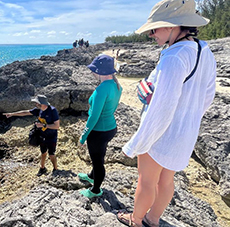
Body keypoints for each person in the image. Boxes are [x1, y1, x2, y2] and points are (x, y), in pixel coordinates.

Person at [116, 0, 217, 226]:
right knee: (166, 181)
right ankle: (153, 220)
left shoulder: (173, 56)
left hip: (162, 131)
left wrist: (138, 142)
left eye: (154, 28)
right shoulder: (204, 50)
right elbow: (208, 95)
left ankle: (136, 220)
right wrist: (189, 118)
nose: (151, 34)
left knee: (147, 181)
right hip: (184, 132)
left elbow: (162, 107)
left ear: (172, 26)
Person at [78, 54, 123, 198]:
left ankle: (95, 190)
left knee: (98, 162)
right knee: (99, 155)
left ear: (100, 71)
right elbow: (111, 107)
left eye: (93, 70)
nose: (92, 72)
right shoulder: (116, 86)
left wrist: (83, 136)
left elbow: (94, 117)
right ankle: (92, 176)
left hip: (98, 131)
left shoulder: (101, 90)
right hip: (110, 128)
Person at [3, 95, 60, 176]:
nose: (35, 104)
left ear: (41, 103)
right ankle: (42, 168)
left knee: (51, 154)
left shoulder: (52, 111)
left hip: (51, 136)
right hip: (42, 135)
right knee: (43, 152)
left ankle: (55, 169)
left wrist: (43, 126)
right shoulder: (38, 110)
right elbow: (25, 112)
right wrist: (12, 114)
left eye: (37, 103)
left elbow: (56, 126)